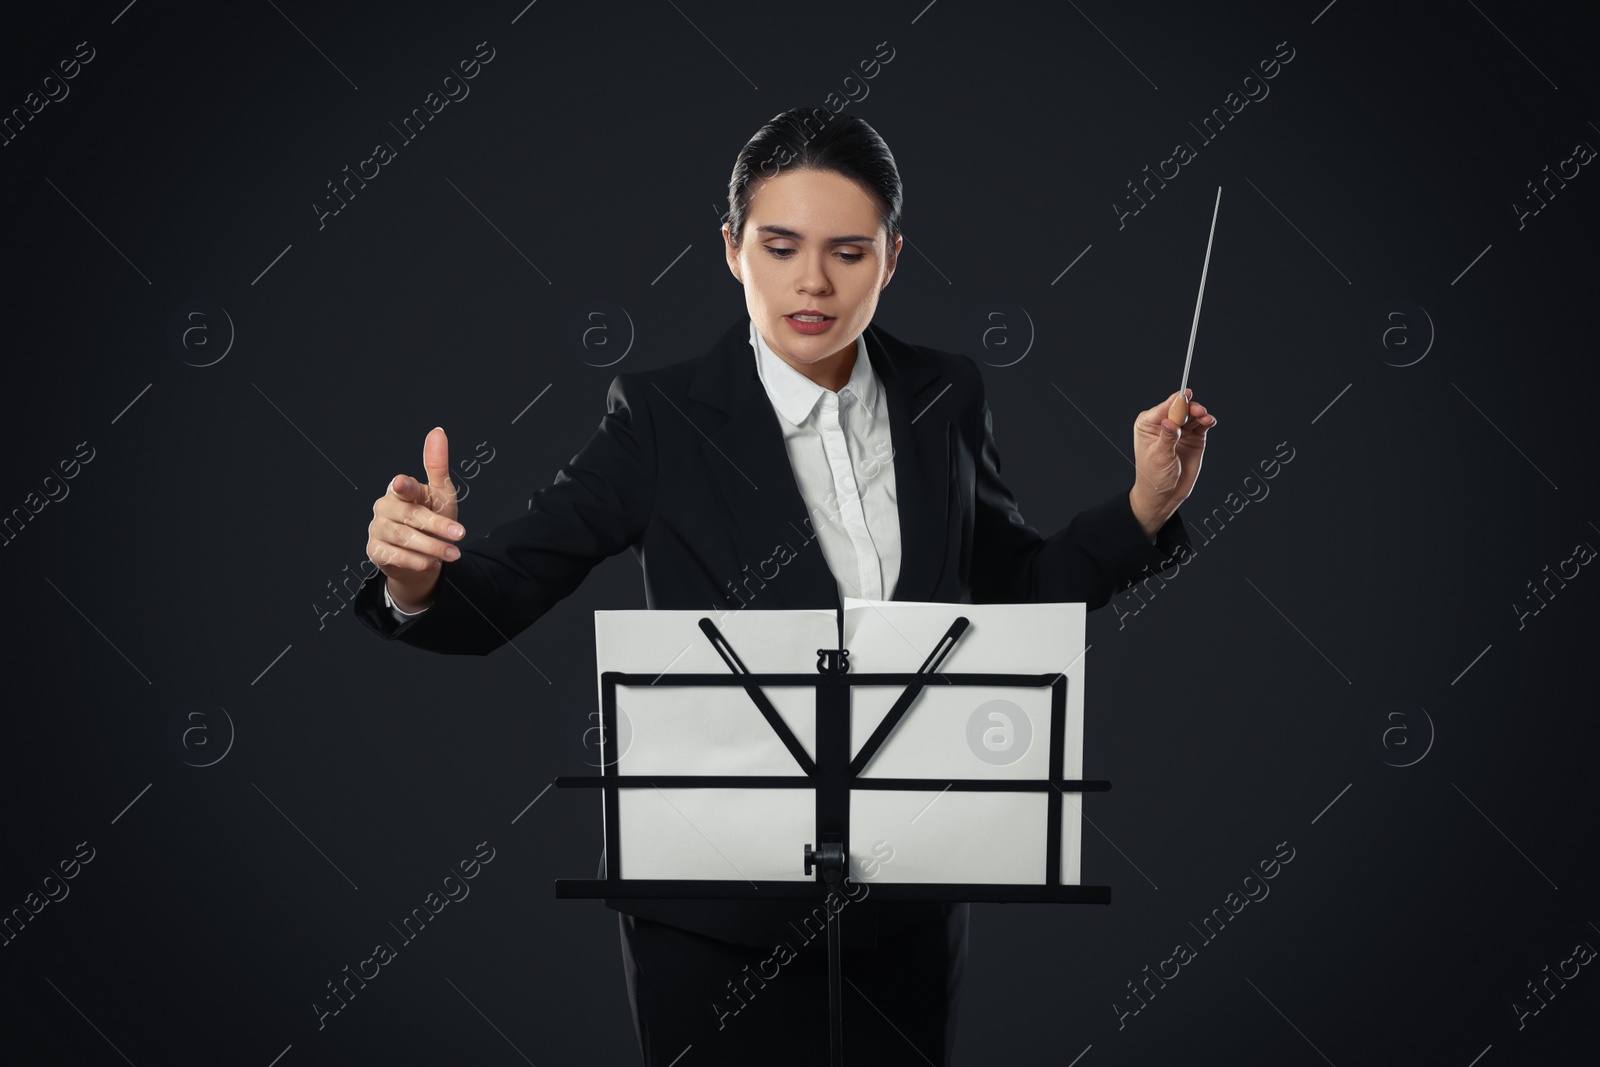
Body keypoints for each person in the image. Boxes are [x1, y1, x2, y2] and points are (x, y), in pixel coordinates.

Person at [351, 106, 1214, 1065]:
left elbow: (1007, 598)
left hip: (911, 900)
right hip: (715, 917)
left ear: (893, 256)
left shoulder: (947, 396)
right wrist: (418, 578)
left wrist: (1143, 505)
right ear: (730, 250)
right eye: (780, 245)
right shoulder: (660, 417)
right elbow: (513, 583)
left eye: (849, 250)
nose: (813, 281)